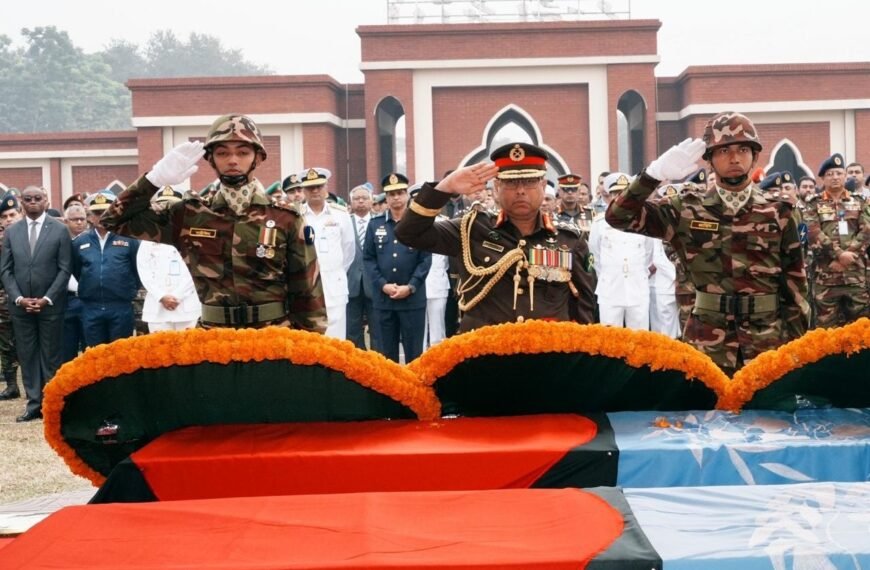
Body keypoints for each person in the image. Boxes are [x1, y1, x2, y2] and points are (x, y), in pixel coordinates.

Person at [605, 111, 809, 374]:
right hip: (707, 343)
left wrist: (795, 350)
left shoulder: (780, 211)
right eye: (723, 150)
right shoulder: (685, 208)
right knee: (707, 414)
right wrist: (653, 175)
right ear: (710, 160)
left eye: (743, 149)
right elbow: (617, 217)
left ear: (755, 156)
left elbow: (795, 285)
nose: (734, 158)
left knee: (765, 415)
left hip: (767, 341)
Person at [101, 114, 326, 331]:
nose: (233, 160)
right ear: (210, 159)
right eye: (222, 153)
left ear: (258, 157)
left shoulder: (285, 217)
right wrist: (154, 180)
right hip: (213, 336)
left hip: (273, 335)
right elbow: (114, 220)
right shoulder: (190, 214)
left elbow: (307, 291)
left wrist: (306, 351)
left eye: (243, 152)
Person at [395, 142, 596, 331]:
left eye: (529, 182)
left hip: (548, 357)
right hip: (484, 358)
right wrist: (444, 188)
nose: (520, 191)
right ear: (497, 188)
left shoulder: (569, 240)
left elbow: (583, 306)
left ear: (543, 186)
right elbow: (409, 233)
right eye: (511, 183)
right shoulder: (471, 228)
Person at [0, 186, 72, 422]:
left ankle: (52, 405)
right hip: (21, 306)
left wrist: (47, 298)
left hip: (50, 305)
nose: (33, 202)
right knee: (28, 354)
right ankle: (34, 404)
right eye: (28, 199)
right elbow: (6, 270)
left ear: (46, 201)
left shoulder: (60, 230)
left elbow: (64, 269)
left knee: (51, 356)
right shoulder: (12, 232)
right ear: (21, 201)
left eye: (37, 199)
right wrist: (19, 298)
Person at [363, 173, 431, 362]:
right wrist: (382, 284)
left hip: (412, 299)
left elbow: (425, 259)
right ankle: (388, 392)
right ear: (386, 197)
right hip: (384, 300)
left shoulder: (419, 224)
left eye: (400, 192)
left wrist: (410, 287)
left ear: (407, 195)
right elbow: (368, 258)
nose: (396, 197)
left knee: (414, 354)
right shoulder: (375, 224)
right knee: (386, 355)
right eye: (391, 194)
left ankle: (414, 390)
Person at [804, 153, 870, 327]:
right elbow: (813, 232)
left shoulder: (860, 201)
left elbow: (867, 230)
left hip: (855, 275)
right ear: (823, 179)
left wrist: (849, 256)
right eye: (830, 174)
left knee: (861, 329)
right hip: (826, 277)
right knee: (826, 332)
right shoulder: (813, 203)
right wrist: (839, 254)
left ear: (845, 175)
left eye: (839, 173)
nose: (835, 177)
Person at [73, 190, 141, 348]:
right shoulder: (79, 242)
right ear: (89, 216)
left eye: (105, 212)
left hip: (120, 306)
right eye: (96, 213)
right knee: (95, 356)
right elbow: (76, 270)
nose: (101, 216)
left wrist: (125, 290)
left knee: (120, 355)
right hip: (92, 307)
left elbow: (136, 270)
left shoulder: (129, 239)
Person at [588, 173, 655, 330]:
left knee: (639, 338)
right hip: (610, 289)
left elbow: (648, 254)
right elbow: (595, 256)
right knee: (610, 339)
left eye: (624, 193)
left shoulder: (642, 221)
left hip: (637, 288)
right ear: (609, 197)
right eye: (615, 194)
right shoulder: (599, 223)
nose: (620, 197)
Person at [298, 167, 355, 339]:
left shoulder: (340, 215)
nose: (315, 191)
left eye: (319, 186)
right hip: (305, 285)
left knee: (336, 337)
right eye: (310, 187)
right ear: (303, 190)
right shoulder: (295, 215)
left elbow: (348, 250)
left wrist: (333, 272)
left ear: (326, 187)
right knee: (308, 337)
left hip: (334, 284)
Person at [136, 187, 202, 332]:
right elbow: (144, 271)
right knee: (159, 351)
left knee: (187, 351)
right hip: (158, 306)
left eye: (172, 206)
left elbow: (198, 268)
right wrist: (161, 296)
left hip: (185, 305)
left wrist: (178, 295)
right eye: (163, 205)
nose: (167, 210)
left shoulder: (193, 234)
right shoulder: (148, 237)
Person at [346, 183, 379, 350]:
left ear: (371, 201)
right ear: (351, 202)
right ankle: (356, 365)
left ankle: (378, 363)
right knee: (352, 330)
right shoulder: (344, 222)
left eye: (364, 198)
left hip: (375, 283)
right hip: (350, 283)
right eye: (356, 199)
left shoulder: (379, 222)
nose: (360, 201)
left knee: (377, 330)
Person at [0, 193, 22, 400]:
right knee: (6, 346)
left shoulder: (27, 235)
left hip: (27, 299)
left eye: (12, 214)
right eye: (4, 216)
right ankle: (11, 385)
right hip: (3, 304)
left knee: (29, 344)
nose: (8, 219)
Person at [61, 203, 88, 364]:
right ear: (66, 221)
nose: (79, 222)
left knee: (89, 350)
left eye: (82, 219)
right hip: (66, 301)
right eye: (74, 219)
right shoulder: (58, 241)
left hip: (88, 301)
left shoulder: (92, 241)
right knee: (67, 351)